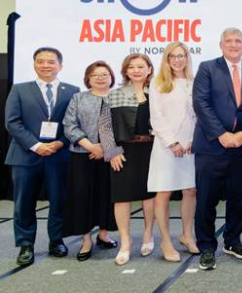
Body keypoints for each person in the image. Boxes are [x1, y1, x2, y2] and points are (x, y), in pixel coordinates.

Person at [192, 27, 242, 271]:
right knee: (206, 200)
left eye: (238, 41)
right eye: (229, 41)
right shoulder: (207, 68)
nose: (234, 45)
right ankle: (206, 247)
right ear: (221, 45)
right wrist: (222, 135)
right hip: (211, 145)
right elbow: (200, 103)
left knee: (238, 199)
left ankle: (233, 241)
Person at [5, 47, 80, 266]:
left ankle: (56, 241)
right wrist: (36, 145)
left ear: (60, 66)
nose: (45, 65)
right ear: (34, 64)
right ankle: (25, 245)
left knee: (59, 200)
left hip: (59, 155)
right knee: (24, 203)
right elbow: (12, 122)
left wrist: (61, 142)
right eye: (40, 61)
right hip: (25, 156)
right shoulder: (19, 89)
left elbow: (75, 122)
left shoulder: (72, 90)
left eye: (50, 61)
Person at [100, 53, 157, 265]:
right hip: (122, 152)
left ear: (149, 69)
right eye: (131, 67)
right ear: (125, 71)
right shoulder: (114, 95)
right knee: (121, 196)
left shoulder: (158, 92)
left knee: (149, 195)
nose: (136, 70)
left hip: (152, 150)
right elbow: (105, 126)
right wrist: (112, 151)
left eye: (141, 66)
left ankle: (148, 234)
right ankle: (125, 241)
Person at [62, 61, 119, 261]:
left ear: (111, 77)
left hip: (111, 156)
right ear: (88, 78)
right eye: (95, 75)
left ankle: (104, 234)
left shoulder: (119, 97)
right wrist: (91, 147)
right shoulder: (78, 98)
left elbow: (125, 126)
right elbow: (69, 125)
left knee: (108, 196)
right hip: (82, 155)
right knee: (82, 197)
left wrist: (106, 148)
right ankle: (86, 240)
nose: (100, 78)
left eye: (105, 74)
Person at [147, 42, 199, 262]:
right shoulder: (158, 83)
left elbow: (199, 115)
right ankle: (166, 241)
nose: (178, 60)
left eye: (181, 55)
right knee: (164, 193)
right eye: (173, 56)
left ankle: (187, 235)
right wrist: (173, 142)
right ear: (167, 59)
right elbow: (156, 117)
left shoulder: (194, 82)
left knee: (190, 190)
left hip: (190, 146)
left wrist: (193, 140)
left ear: (187, 58)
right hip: (166, 146)